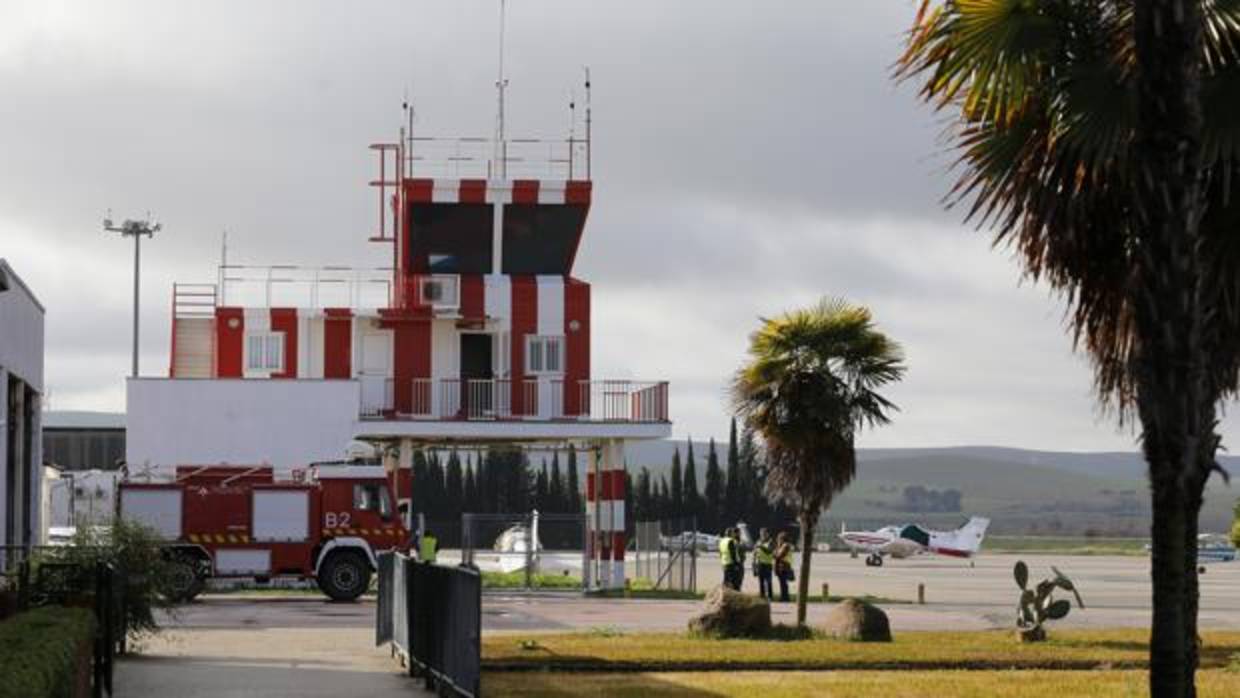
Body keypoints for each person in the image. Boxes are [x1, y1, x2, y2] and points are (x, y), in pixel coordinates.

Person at [773, 531, 794, 602]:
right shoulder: (784, 545)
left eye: (779, 538)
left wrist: (775, 554)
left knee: (783, 583)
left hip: (784, 566)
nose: (777, 540)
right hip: (783, 566)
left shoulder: (785, 545)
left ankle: (785, 597)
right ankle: (784, 596)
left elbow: (779, 555)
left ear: (782, 538)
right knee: (783, 583)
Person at [754, 528, 774, 601]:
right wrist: (754, 565)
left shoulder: (770, 541)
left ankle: (770, 597)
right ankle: (762, 596)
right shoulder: (758, 542)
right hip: (760, 564)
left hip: (767, 564)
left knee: (768, 581)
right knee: (761, 581)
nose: (763, 535)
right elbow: (755, 553)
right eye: (761, 533)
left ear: (768, 534)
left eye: (764, 533)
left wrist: (760, 546)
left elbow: (769, 551)